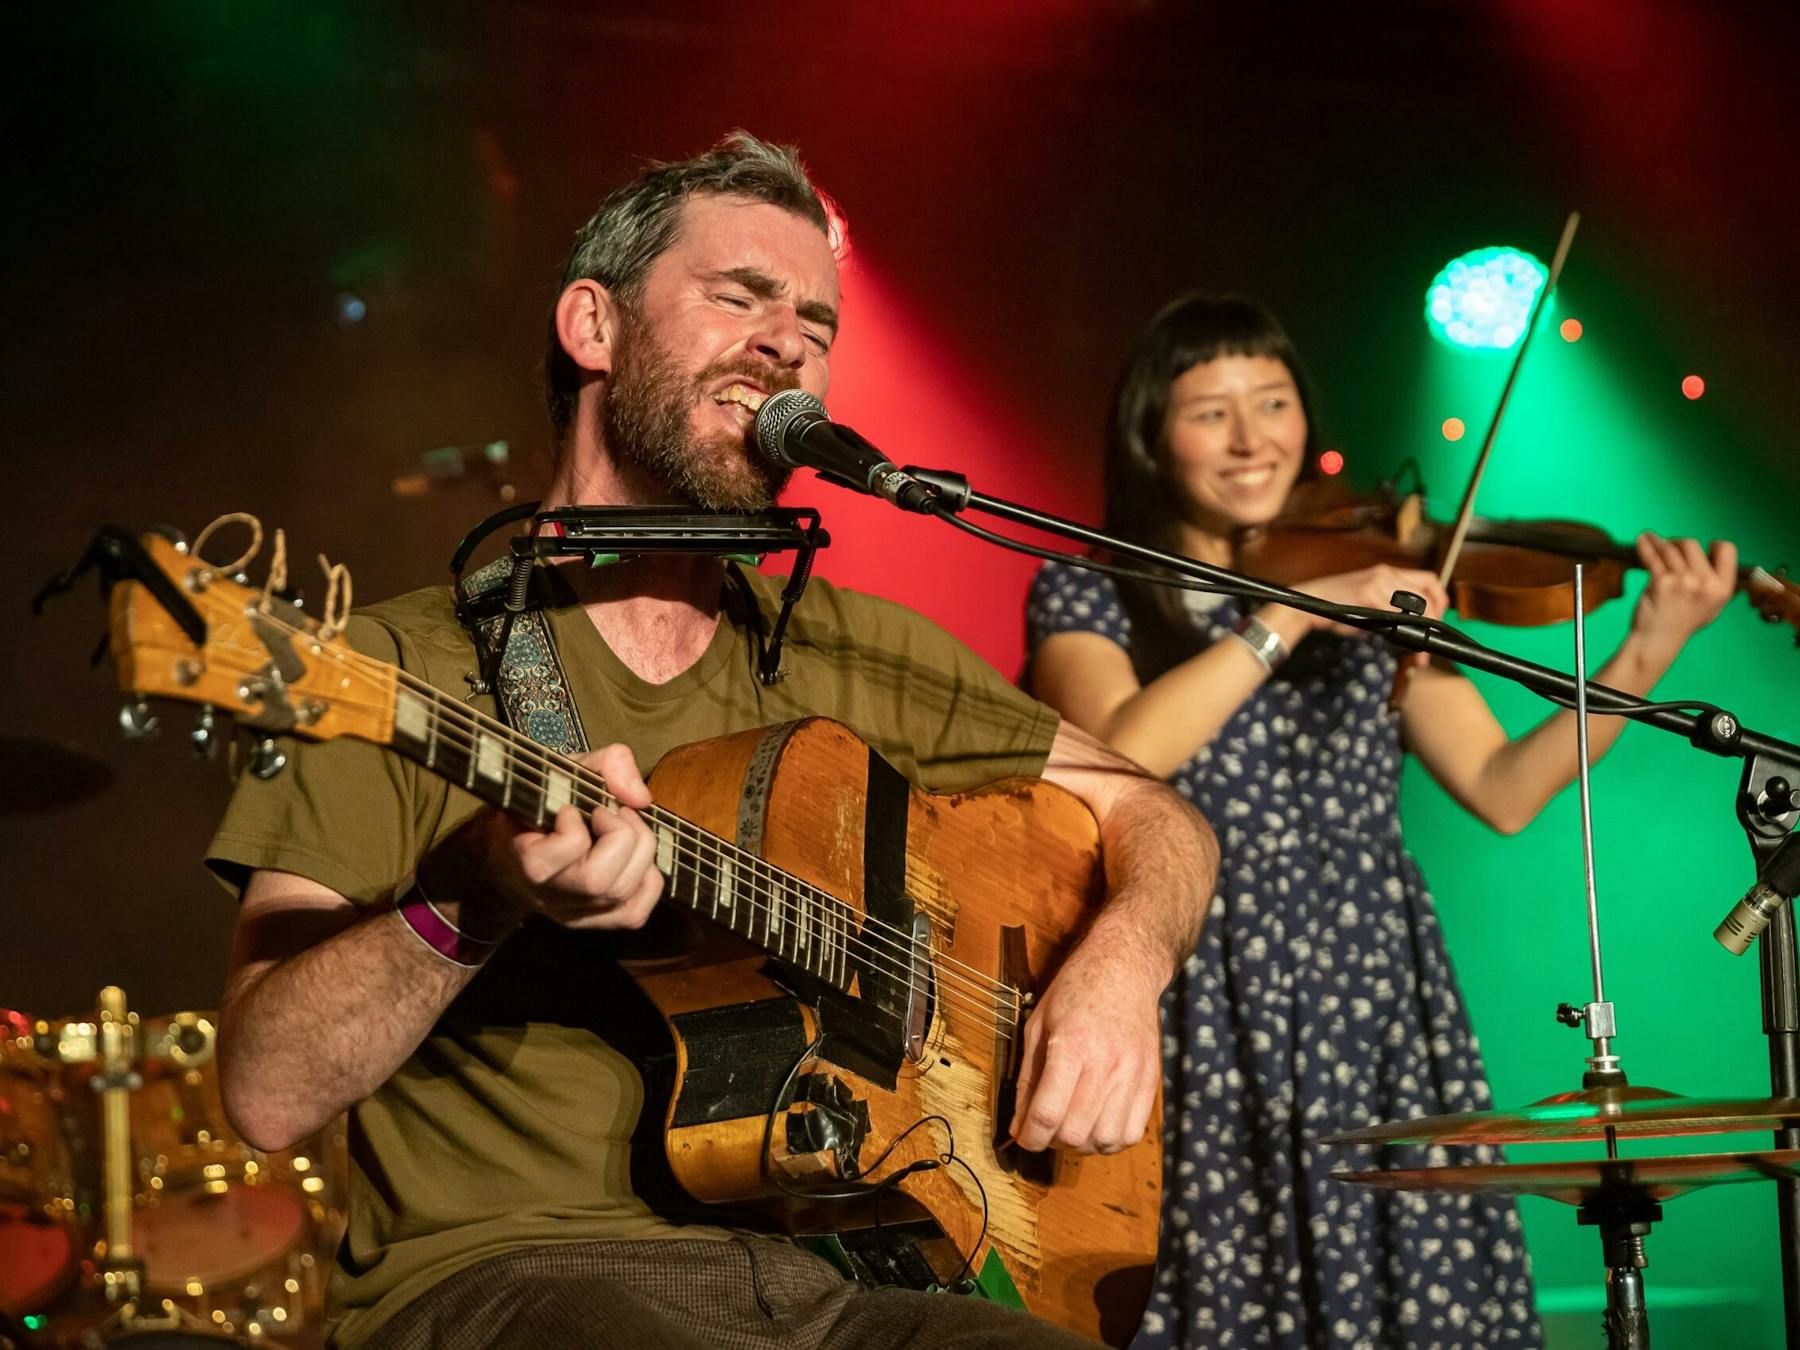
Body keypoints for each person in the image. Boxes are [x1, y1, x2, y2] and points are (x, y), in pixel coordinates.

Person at [205, 134, 1217, 1350]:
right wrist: (469, 893)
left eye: (817, 325)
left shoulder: (859, 649)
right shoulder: (392, 666)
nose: (789, 340)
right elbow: (265, 1093)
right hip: (512, 1281)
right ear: (593, 325)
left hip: (835, 1273)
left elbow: (1155, 810)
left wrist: (1123, 958)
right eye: (739, 297)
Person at [1025, 295, 1739, 1349]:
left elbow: (1502, 784)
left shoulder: (1369, 594)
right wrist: (1288, 615)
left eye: (1273, 403)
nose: (1251, 436)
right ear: (1150, 435)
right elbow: (1127, 744)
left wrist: (1647, 650)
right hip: (1196, 974)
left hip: (1372, 983)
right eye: (1211, 410)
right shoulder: (1095, 589)